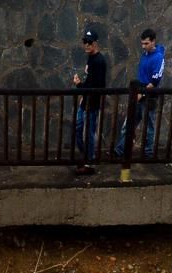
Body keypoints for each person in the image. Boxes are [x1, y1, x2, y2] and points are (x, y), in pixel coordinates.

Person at [113, 29, 166, 160]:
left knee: (148, 127)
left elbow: (155, 81)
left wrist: (142, 94)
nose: (143, 46)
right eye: (142, 43)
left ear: (153, 41)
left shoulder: (158, 57)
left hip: (149, 93)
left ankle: (147, 154)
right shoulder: (145, 54)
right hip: (140, 89)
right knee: (129, 124)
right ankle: (121, 150)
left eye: (146, 43)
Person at [72, 29, 107, 175]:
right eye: (84, 42)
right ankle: (86, 155)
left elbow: (97, 86)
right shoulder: (91, 58)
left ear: (95, 43)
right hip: (85, 100)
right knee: (78, 128)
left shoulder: (99, 61)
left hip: (91, 102)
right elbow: (90, 80)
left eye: (89, 42)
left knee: (89, 131)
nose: (86, 45)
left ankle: (89, 161)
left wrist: (79, 85)